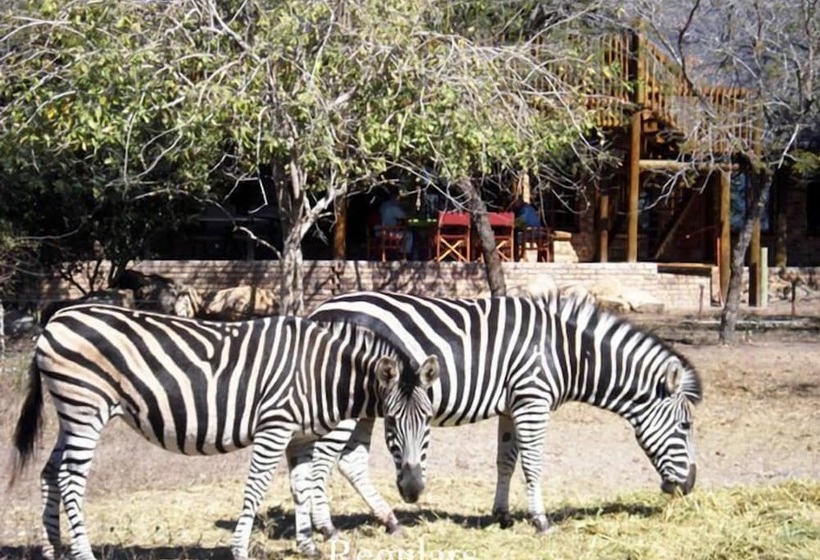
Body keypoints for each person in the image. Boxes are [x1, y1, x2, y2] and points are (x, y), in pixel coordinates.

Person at [378, 191, 412, 258]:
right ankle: (404, 253)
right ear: (394, 197)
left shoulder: (383, 205)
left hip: (380, 231)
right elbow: (404, 216)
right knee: (409, 235)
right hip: (389, 232)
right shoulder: (393, 207)